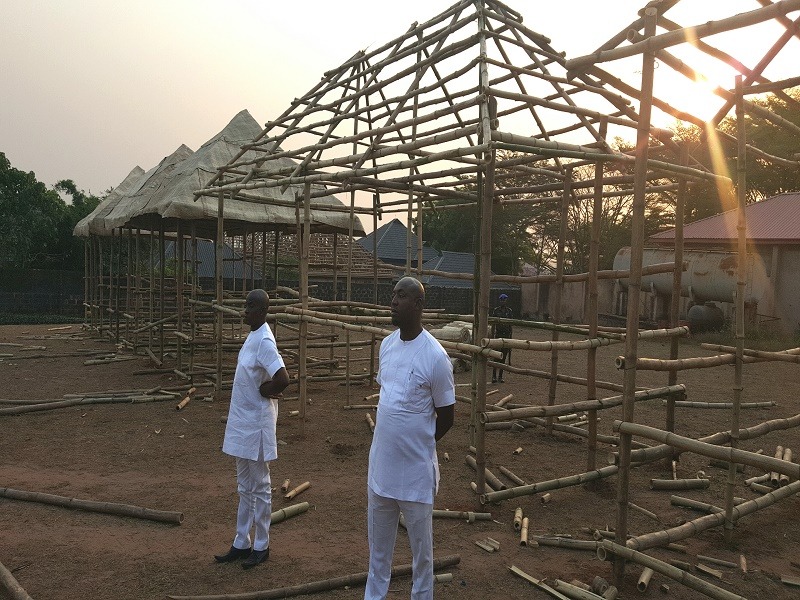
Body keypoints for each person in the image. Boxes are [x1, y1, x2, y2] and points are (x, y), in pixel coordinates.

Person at [365, 276, 455, 600]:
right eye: (393, 294)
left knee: (422, 556)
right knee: (378, 552)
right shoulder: (387, 346)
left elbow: (447, 417)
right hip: (381, 470)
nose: (393, 301)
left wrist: (417, 444)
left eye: (401, 296)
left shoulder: (435, 357)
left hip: (415, 474)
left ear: (418, 305)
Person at [215, 289, 290, 569]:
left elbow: (283, 378)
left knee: (260, 486)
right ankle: (241, 541)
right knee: (244, 486)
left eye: (250, 306)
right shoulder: (253, 336)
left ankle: (261, 545)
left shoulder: (265, 341)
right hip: (241, 421)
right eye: (245, 305)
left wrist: (265, 390)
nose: (245, 310)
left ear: (262, 311)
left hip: (256, 422)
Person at [491, 293, 513, 383]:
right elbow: (493, 324)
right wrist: (492, 337)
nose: (503, 302)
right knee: (496, 356)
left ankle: (500, 376)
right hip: (498, 335)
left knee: (503, 357)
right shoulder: (496, 311)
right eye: (501, 300)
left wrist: (511, 338)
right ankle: (494, 376)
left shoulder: (509, 311)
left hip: (506, 335)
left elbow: (511, 325)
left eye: (504, 300)